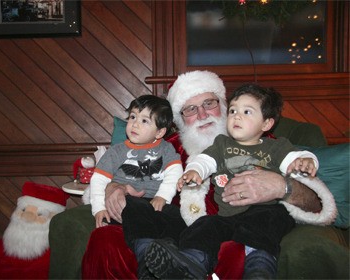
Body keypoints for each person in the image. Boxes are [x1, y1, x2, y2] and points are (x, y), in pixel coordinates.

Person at [48, 70, 334, 279]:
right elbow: (118, 172)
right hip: (174, 226)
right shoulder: (164, 147)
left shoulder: (266, 143)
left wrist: (282, 186)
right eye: (190, 109)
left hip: (241, 226)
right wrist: (113, 188)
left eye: (210, 103)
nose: (203, 114)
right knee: (106, 239)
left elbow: (319, 204)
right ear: (178, 120)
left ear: (223, 107)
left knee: (247, 238)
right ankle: (156, 260)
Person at [143, 84, 319, 279]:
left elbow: (296, 159)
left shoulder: (275, 146)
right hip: (228, 216)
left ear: (266, 124)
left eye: (246, 112)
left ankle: (259, 268)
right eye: (234, 111)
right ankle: (192, 263)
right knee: (205, 225)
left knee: (271, 220)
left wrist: (306, 160)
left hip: (264, 209)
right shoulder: (221, 144)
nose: (237, 116)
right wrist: (194, 171)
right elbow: (205, 161)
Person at [88, 95, 184, 277]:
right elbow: (98, 180)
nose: (135, 124)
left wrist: (162, 196)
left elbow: (175, 172)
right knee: (133, 206)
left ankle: (173, 256)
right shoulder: (117, 151)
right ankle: (146, 259)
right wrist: (99, 208)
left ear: (159, 132)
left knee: (176, 216)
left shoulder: (165, 149)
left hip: (154, 204)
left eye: (144, 121)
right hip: (125, 203)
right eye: (132, 117)